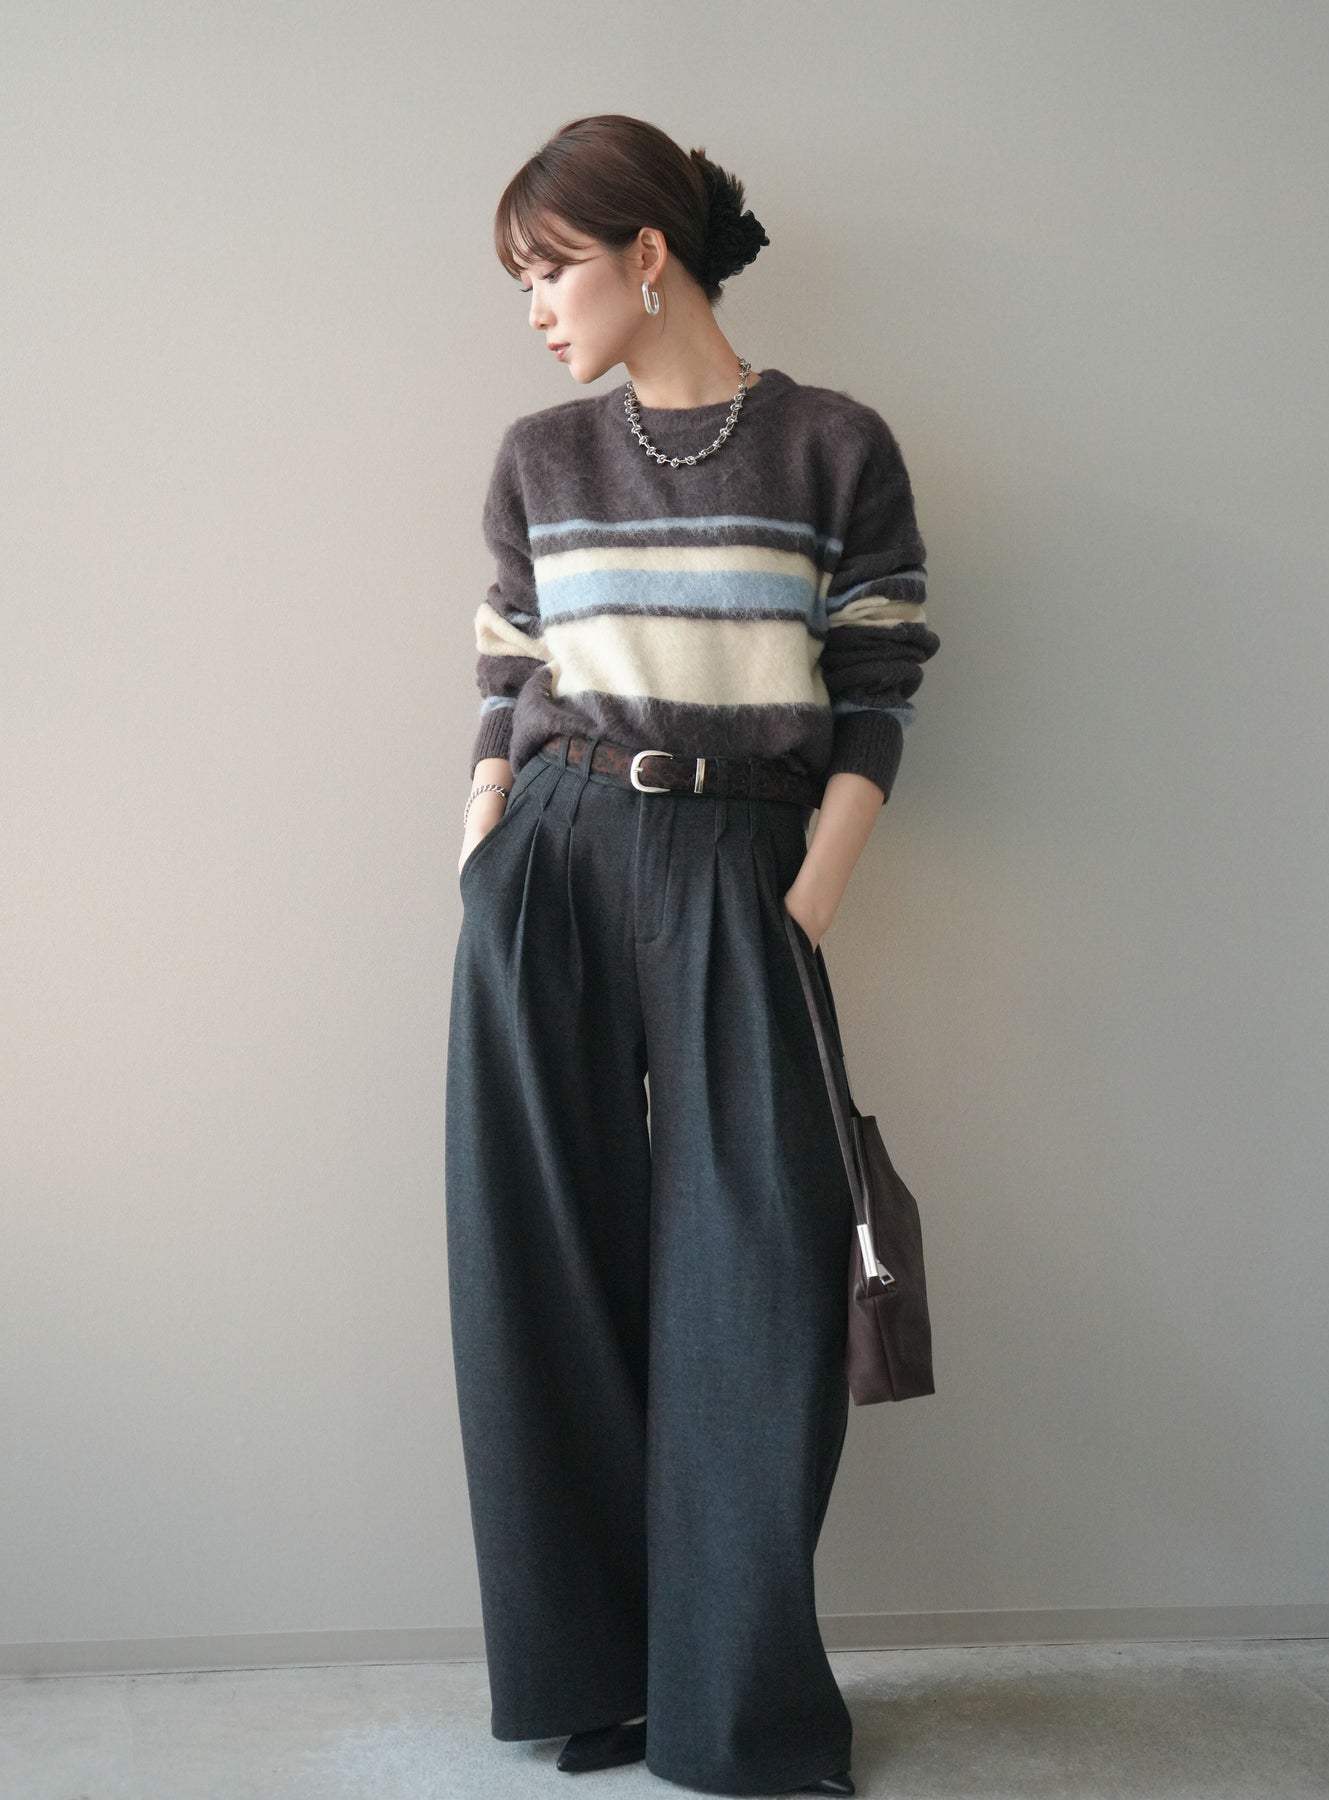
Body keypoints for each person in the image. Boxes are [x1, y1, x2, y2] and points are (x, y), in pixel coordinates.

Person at [444, 113, 939, 1797]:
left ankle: (735, 1712)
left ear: (645, 256)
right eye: (519, 281)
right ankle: (592, 1679)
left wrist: (807, 899)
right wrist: (483, 842)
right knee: (540, 1267)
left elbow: (878, 688)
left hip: (743, 868)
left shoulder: (832, 447)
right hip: (554, 857)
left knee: (757, 1284)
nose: (533, 309)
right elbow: (506, 670)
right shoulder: (538, 456)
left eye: (550, 271)